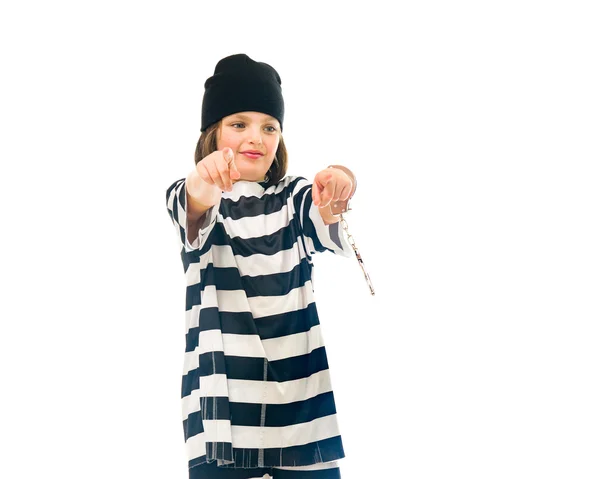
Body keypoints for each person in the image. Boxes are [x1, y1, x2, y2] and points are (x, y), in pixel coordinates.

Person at [165, 53, 357, 479]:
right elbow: (193, 199)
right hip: (223, 412)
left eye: (269, 126)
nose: (256, 137)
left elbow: (324, 210)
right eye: (239, 124)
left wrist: (342, 179)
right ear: (212, 133)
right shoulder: (192, 196)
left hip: (303, 407)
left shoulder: (293, 197)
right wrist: (205, 177)